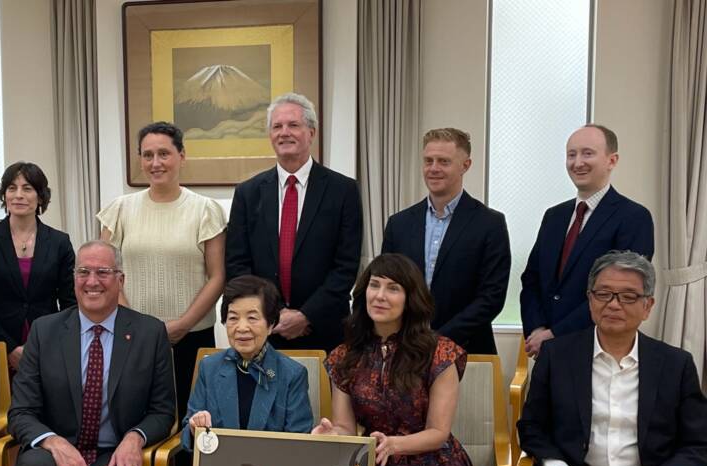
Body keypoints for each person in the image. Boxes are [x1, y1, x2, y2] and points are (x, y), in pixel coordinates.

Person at [517, 251, 706, 466]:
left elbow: (698, 441)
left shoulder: (675, 364)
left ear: (647, 306)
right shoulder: (557, 356)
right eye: (603, 294)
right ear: (590, 301)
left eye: (628, 296)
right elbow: (531, 425)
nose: (614, 304)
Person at [3, 240, 175, 466]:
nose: (92, 281)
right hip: (55, 450)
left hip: (113, 453)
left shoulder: (149, 333)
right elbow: (21, 411)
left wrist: (135, 437)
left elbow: (163, 410)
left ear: (120, 279)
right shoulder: (45, 330)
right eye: (84, 271)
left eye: (102, 272)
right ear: (74, 277)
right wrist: (52, 443)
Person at [313, 253, 487, 466]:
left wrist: (397, 444)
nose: (380, 295)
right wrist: (331, 434)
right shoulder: (344, 356)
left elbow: (439, 432)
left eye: (393, 288)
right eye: (374, 285)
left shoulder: (441, 352)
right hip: (374, 462)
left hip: (431, 464)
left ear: (411, 299)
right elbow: (346, 428)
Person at [98, 121, 226, 415]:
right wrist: (135, 324)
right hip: (130, 335)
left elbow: (217, 276)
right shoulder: (119, 209)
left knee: (191, 422)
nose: (155, 163)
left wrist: (182, 325)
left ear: (182, 156)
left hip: (191, 336)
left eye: (164, 154)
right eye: (147, 155)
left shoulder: (205, 209)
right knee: (133, 419)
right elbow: (106, 273)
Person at [226, 93, 363, 353]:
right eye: (277, 126)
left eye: (293, 125)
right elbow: (237, 263)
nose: (284, 132)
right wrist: (274, 314)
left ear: (311, 132)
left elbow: (346, 266)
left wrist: (305, 315)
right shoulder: (248, 192)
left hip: (324, 329)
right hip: (263, 329)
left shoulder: (343, 190)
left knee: (323, 395)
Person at [178, 275, 313, 466]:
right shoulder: (210, 367)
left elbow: (299, 443)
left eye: (252, 318)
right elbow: (188, 436)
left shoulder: (292, 374)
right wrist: (195, 429)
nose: (241, 327)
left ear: (271, 324)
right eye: (232, 318)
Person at [520, 123, 654, 358]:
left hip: (596, 349)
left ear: (612, 161)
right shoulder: (554, 216)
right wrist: (538, 329)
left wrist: (556, 334)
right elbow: (531, 279)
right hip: (545, 351)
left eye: (587, 153)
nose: (577, 162)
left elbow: (623, 291)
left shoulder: (633, 217)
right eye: (571, 154)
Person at [382, 127, 510, 354]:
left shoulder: (490, 224)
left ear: (465, 165)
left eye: (443, 161)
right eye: (428, 161)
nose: (433, 169)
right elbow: (387, 286)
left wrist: (439, 339)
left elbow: (491, 297)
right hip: (405, 351)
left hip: (467, 351)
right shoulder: (398, 224)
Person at [0, 161, 76, 372]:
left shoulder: (59, 242)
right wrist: (9, 347)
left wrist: (43, 343)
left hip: (50, 346)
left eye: (27, 188)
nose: (18, 195)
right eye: (11, 188)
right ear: (4, 195)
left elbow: (70, 303)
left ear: (41, 196)